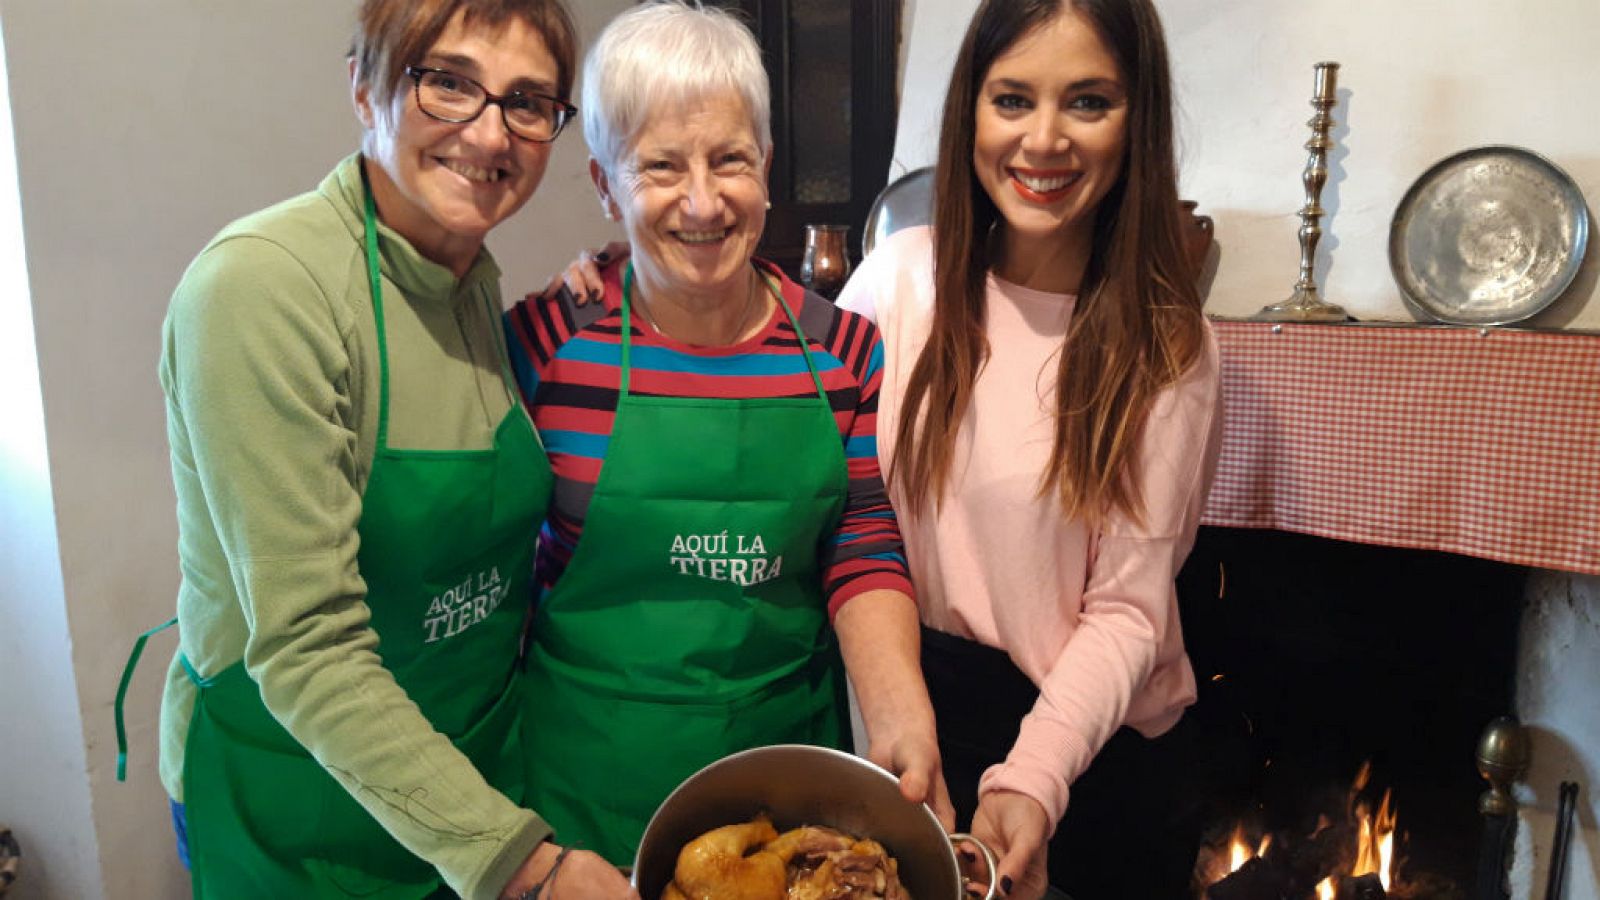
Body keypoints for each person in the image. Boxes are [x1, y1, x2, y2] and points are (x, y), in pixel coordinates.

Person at [117, 1, 637, 897]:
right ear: (364, 87)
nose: (489, 132)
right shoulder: (261, 290)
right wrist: (529, 868)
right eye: (449, 83)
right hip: (298, 800)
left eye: (527, 102)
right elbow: (308, 648)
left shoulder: (471, 283)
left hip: (465, 780)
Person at [502, 0, 950, 867]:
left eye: (729, 160)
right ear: (604, 184)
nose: (702, 201)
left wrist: (899, 711)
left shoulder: (843, 349)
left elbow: (858, 536)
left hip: (784, 792)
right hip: (581, 795)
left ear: (769, 167)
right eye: (659, 166)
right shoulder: (547, 343)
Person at [832, 1, 1224, 897]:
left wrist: (1033, 779)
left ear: (1139, 122)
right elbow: (771, 399)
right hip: (919, 718)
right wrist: (622, 280)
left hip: (1090, 751)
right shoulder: (898, 280)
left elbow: (1129, 612)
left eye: (1088, 102)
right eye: (1012, 99)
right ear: (970, 110)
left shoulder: (1169, 343)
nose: (1043, 141)